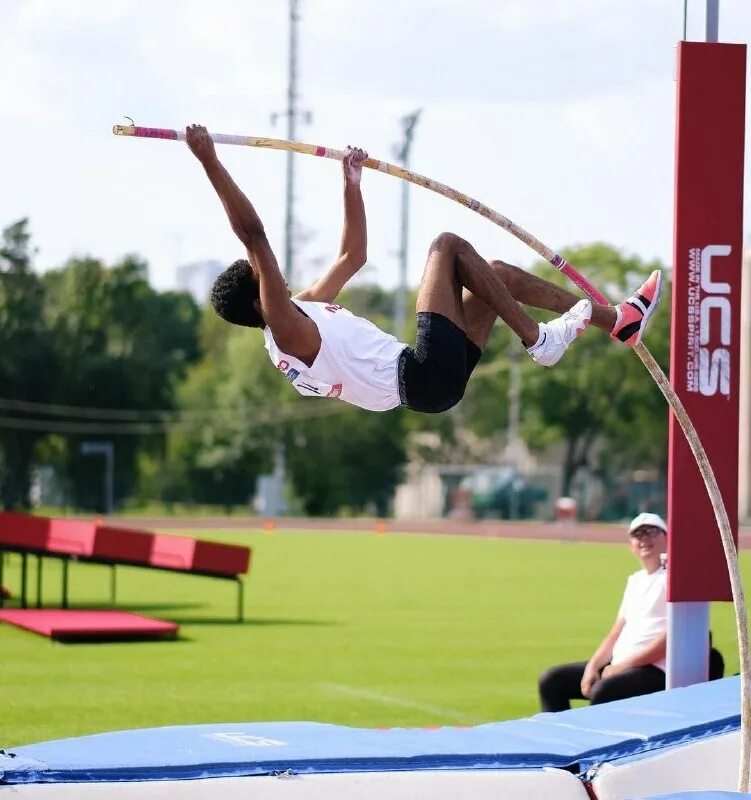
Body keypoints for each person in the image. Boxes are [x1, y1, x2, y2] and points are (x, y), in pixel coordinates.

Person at [185, 124, 662, 414]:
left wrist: (352, 185)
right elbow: (253, 236)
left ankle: (617, 320)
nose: (278, 275)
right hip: (419, 375)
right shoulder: (286, 330)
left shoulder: (303, 308)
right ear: (259, 299)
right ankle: (540, 340)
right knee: (447, 246)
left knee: (495, 275)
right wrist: (209, 161)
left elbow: (353, 257)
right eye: (266, 277)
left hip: (430, 381)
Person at [538, 512, 724, 712]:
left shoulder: (675, 578)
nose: (644, 538)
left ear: (667, 538)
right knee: (551, 681)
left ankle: (605, 742)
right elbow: (616, 632)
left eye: (651, 532)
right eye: (638, 534)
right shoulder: (635, 581)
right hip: (622, 664)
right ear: (631, 546)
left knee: (605, 691)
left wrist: (622, 667)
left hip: (657, 669)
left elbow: (675, 636)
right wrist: (593, 666)